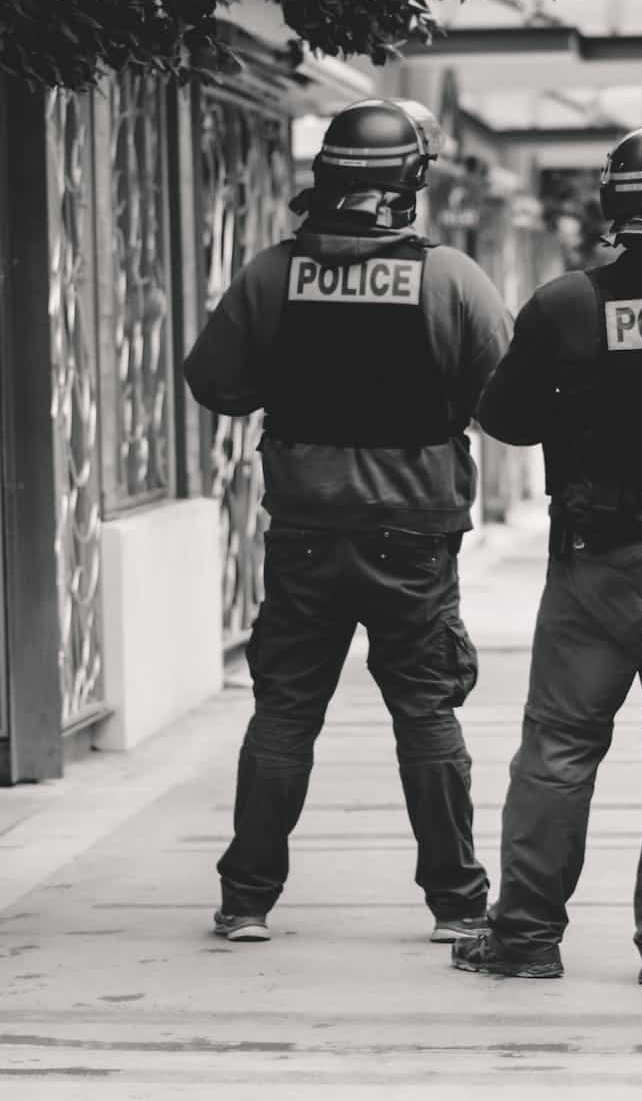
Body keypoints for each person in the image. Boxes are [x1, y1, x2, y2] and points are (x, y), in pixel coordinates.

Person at [184, 98, 512, 945]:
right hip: (414, 536)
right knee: (427, 714)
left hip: (305, 532)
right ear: (410, 186)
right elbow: (509, 397)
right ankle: (457, 905)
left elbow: (215, 383)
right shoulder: (450, 278)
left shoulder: (270, 274)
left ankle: (247, 901)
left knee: (286, 712)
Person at [448, 125, 642, 985]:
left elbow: (505, 419)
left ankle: (527, 940)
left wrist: (578, 407)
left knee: (560, 749)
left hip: (600, 561)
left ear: (615, 205)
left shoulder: (567, 305)